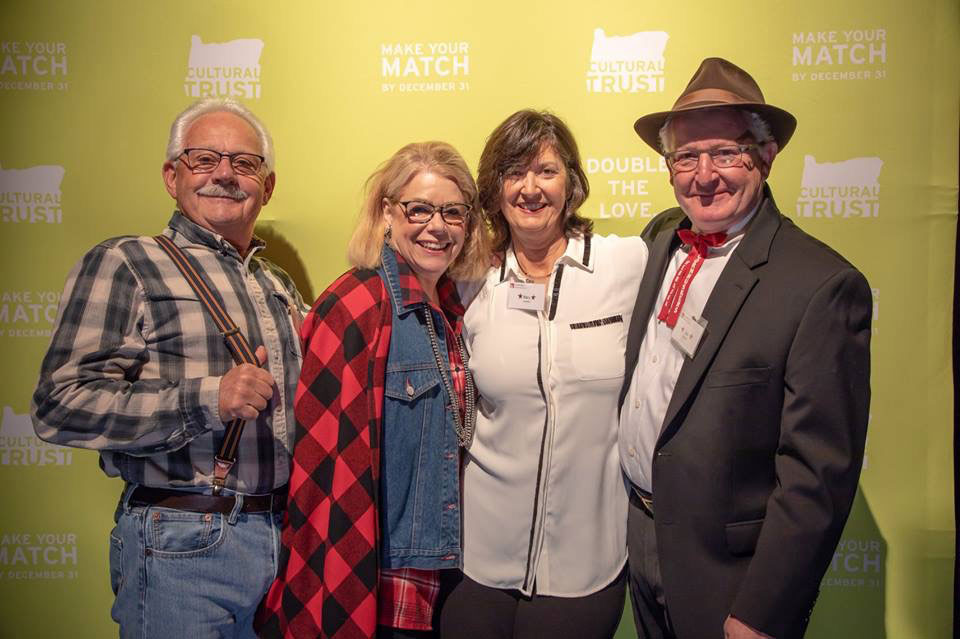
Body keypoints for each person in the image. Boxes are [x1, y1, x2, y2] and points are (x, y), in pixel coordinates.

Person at [31, 98, 306, 637]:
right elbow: (58, 405)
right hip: (182, 540)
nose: (224, 174)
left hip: (286, 543)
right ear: (171, 176)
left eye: (244, 163)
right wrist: (207, 398)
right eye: (204, 159)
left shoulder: (277, 285)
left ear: (266, 187)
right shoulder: (126, 262)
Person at [618, 57, 872, 639]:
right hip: (641, 540)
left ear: (766, 155)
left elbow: (817, 477)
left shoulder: (820, 285)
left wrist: (763, 610)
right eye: (686, 156)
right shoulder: (661, 238)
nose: (703, 175)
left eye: (726, 152)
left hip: (729, 578)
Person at [256, 141, 489, 639]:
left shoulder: (453, 304)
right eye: (419, 209)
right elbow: (327, 474)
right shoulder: (357, 304)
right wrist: (338, 600)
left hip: (446, 572)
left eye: (453, 212)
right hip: (379, 583)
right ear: (387, 212)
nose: (437, 226)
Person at [440, 110, 648, 639]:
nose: (530, 188)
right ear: (495, 188)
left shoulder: (626, 265)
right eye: (514, 172)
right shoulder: (468, 278)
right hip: (477, 558)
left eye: (546, 171)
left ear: (572, 183)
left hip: (586, 563)